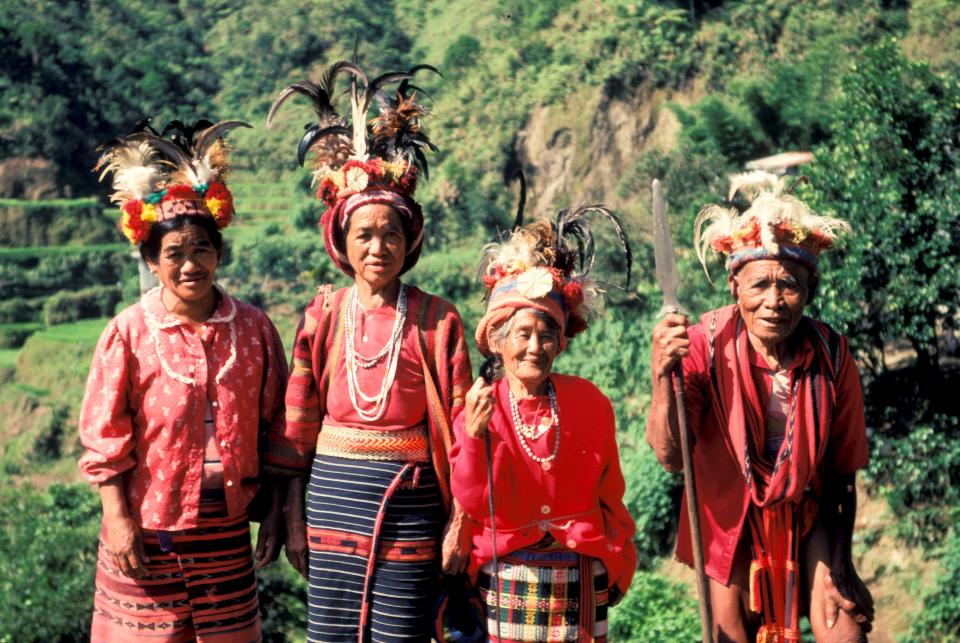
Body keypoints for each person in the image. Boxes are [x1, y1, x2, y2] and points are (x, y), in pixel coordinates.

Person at [262, 59, 473, 642]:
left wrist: (461, 519)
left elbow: (461, 432)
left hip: (413, 500)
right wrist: (293, 517)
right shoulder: (323, 315)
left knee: (402, 632)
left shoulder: (438, 320)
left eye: (391, 234)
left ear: (410, 243)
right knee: (331, 634)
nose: (378, 246)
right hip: (331, 500)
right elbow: (297, 426)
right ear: (342, 242)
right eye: (364, 234)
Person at [79, 119, 288, 641]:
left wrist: (281, 514)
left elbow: (280, 428)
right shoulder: (126, 332)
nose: (190, 264)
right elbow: (105, 439)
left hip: (226, 530)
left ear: (219, 253)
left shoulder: (255, 329)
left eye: (201, 250)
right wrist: (118, 521)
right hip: (148, 528)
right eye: (174, 253)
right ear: (151, 260)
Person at [647, 172, 875, 642]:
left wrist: (843, 561)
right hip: (727, 517)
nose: (773, 301)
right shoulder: (701, 344)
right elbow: (672, 458)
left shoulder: (831, 354)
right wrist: (661, 377)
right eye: (759, 286)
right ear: (735, 288)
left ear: (808, 292)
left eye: (788, 285)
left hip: (807, 511)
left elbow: (843, 470)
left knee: (844, 629)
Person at [450, 209, 637, 642]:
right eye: (522, 334)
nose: (535, 347)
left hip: (582, 570)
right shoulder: (480, 405)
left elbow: (611, 493)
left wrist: (617, 556)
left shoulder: (588, 401)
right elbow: (475, 502)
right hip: (509, 574)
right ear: (498, 340)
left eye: (547, 335)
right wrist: (475, 436)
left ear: (560, 342)